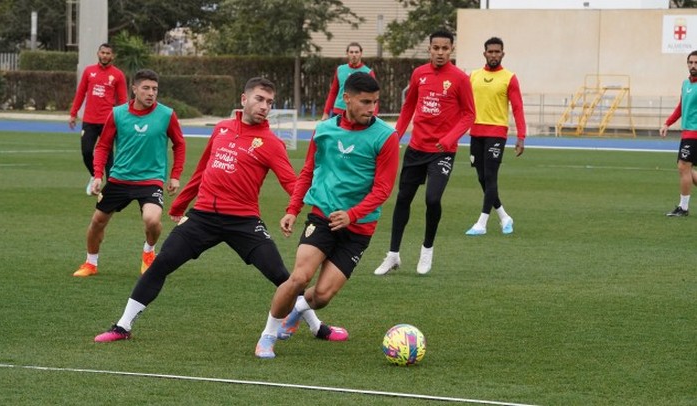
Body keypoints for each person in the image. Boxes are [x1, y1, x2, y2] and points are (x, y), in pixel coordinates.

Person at [93, 77, 341, 343]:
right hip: (202, 218)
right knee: (161, 263)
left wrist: (315, 208)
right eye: (259, 99)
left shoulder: (271, 143)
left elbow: (292, 182)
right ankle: (122, 326)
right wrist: (180, 204)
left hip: (244, 222)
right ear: (244, 99)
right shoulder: (222, 129)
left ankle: (317, 326)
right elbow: (202, 170)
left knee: (281, 276)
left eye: (269, 102)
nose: (264, 106)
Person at [255, 72, 399, 359]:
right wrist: (293, 209)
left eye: (375, 102)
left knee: (321, 296)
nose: (372, 108)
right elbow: (308, 171)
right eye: (365, 102)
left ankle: (298, 310)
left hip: (359, 228)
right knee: (299, 278)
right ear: (346, 98)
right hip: (322, 217)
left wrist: (352, 215)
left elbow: (383, 189)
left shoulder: (386, 136)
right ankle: (267, 336)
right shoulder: (323, 130)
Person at [373, 29, 475, 276]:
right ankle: (393, 255)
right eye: (436, 48)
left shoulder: (460, 79)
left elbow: (469, 114)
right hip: (416, 148)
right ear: (429, 49)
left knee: (432, 199)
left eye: (445, 48)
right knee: (403, 199)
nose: (440, 52)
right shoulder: (419, 74)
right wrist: (396, 135)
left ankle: (427, 249)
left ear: (451, 49)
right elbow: (409, 107)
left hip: (442, 152)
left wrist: (448, 139)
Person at [72, 69, 186, 277]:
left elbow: (179, 144)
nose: (151, 93)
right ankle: (90, 263)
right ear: (134, 89)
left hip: (150, 180)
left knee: (152, 220)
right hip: (119, 179)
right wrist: (97, 175)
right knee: (97, 222)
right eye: (146, 88)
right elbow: (103, 146)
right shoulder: (117, 114)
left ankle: (148, 252)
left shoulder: (166, 115)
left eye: (155, 89)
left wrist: (175, 175)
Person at [464, 37, 526, 236]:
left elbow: (517, 108)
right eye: (490, 52)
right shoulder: (473, 76)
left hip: (496, 133)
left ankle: (481, 223)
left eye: (497, 52)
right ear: (485, 54)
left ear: (502, 54)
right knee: (482, 178)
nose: (493, 55)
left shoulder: (509, 78)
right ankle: (504, 216)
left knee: (491, 177)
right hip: (476, 133)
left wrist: (521, 136)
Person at [69, 43, 128, 195]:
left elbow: (122, 100)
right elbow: (81, 93)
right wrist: (73, 113)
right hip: (89, 120)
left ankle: (110, 189)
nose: (105, 56)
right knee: (87, 152)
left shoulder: (118, 75)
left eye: (108, 53)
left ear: (112, 56)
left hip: (108, 121)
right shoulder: (89, 71)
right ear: (98, 53)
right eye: (103, 52)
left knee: (108, 155)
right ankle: (95, 176)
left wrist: (124, 120)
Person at [660, 49, 697, 217]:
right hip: (687, 133)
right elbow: (681, 107)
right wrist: (667, 123)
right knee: (686, 170)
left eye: (696, 63)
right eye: (691, 62)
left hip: (694, 134)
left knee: (683, 167)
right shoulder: (685, 84)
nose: (693, 65)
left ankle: (683, 208)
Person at [320, 42, 377, 120]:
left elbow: (374, 96)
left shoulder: (368, 72)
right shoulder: (340, 69)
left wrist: (374, 115)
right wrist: (326, 112)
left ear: (361, 53)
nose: (354, 55)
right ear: (347, 53)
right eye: (351, 52)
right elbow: (333, 92)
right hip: (338, 111)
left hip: (357, 112)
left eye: (356, 52)